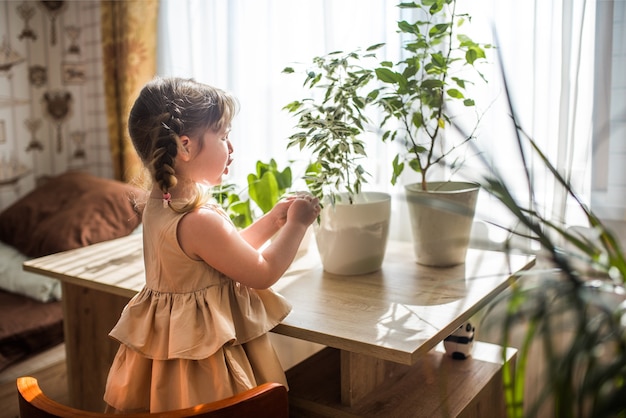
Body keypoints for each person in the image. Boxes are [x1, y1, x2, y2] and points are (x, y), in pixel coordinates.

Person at [103, 76, 320, 413]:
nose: (231, 147)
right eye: (223, 136)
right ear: (186, 146)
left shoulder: (162, 203)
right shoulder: (197, 219)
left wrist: (271, 222)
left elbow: (222, 257)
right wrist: (297, 225)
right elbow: (261, 273)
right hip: (205, 359)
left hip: (174, 349)